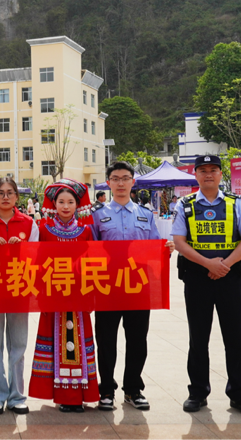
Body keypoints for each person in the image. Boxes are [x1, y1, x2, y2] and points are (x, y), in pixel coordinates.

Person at [171, 154, 241, 416]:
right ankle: (198, 392)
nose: (208, 174)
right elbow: (179, 242)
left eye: (213, 170)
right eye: (203, 170)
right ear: (195, 174)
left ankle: (239, 394)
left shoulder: (235, 203)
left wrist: (225, 265)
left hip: (230, 278)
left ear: (221, 174)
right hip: (197, 278)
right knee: (198, 338)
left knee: (234, 337)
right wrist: (208, 264)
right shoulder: (184, 205)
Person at [91, 162, 175, 412]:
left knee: (137, 340)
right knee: (106, 341)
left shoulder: (145, 214)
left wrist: (165, 250)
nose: (120, 183)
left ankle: (133, 389)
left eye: (125, 178)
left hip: (138, 287)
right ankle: (106, 390)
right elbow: (89, 250)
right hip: (107, 288)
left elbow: (154, 248)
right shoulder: (97, 215)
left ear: (133, 182)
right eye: (115, 178)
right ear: (108, 182)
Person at [29, 179, 99, 412]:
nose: (66, 206)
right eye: (61, 202)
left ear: (78, 205)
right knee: (56, 342)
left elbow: (93, 263)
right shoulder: (44, 230)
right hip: (53, 296)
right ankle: (61, 395)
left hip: (79, 297)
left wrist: (90, 294)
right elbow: (37, 263)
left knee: (77, 341)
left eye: (70, 202)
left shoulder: (86, 231)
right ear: (54, 204)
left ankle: (79, 395)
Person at [0, 177, 38, 415]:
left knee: (19, 345)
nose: (5, 197)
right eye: (0, 193)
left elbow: (37, 257)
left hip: (19, 288)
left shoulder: (29, 224)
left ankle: (17, 396)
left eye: (10, 192)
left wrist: (21, 249)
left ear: (17, 197)